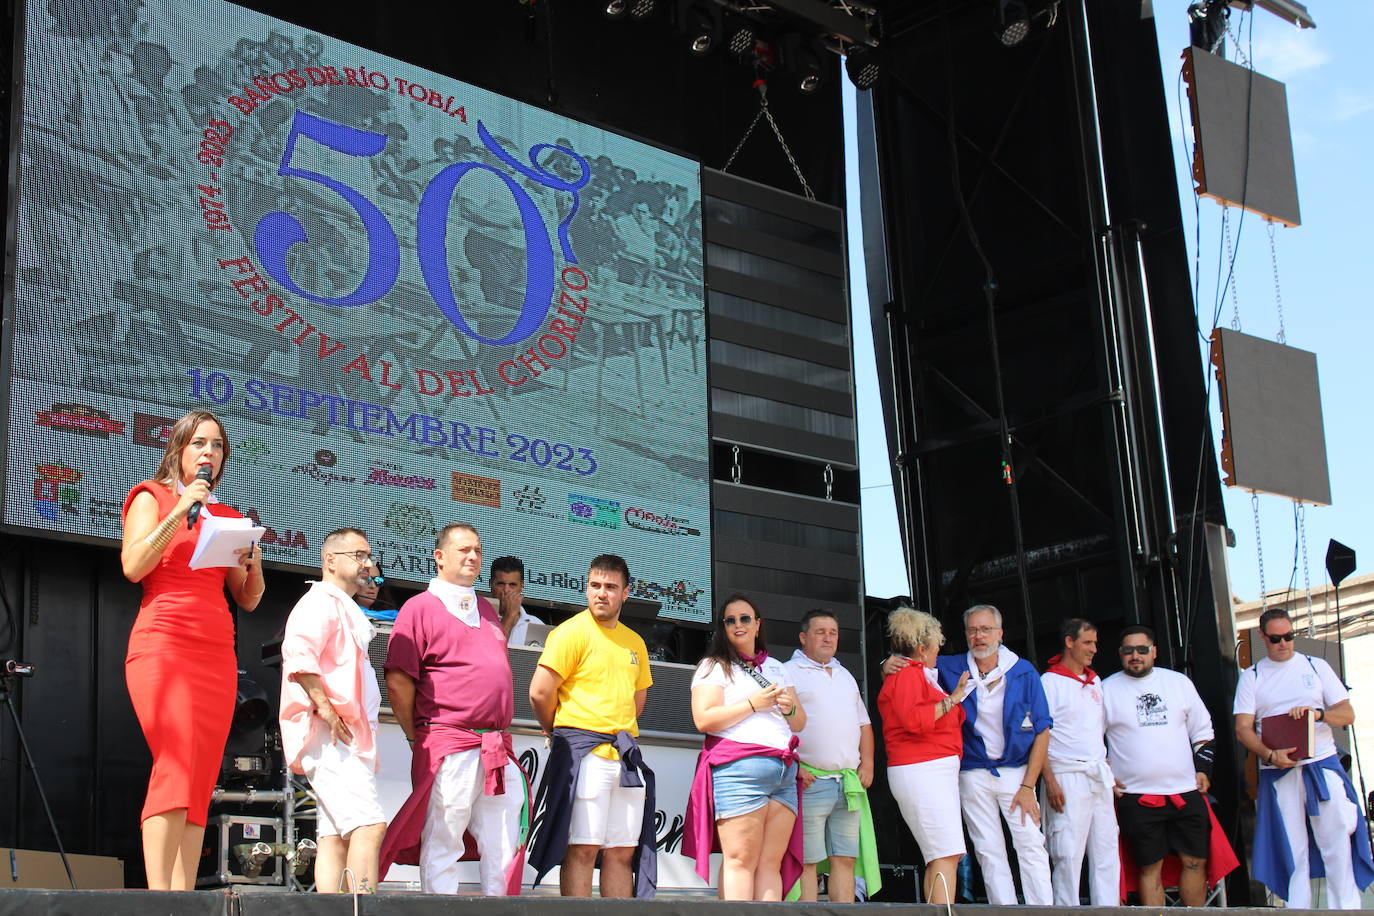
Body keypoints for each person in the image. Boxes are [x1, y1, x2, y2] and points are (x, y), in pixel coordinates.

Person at [120, 409, 264, 889]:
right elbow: (135, 565)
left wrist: (255, 562)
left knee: (201, 777)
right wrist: (181, 512)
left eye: (218, 446)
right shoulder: (152, 496)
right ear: (179, 449)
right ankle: (159, 896)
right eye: (200, 443)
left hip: (216, 652)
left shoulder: (226, 517)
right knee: (177, 763)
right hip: (163, 642)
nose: (209, 453)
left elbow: (246, 597)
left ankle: (182, 898)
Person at [378, 524, 527, 895]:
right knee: (444, 836)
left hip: (495, 746)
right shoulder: (419, 608)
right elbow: (398, 680)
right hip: (449, 740)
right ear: (439, 556)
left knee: (503, 839)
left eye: (477, 549)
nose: (472, 556)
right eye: (463, 550)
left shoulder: (486, 610)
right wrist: (417, 735)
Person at [528, 555, 656, 898]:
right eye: (595, 586)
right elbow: (540, 692)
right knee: (583, 848)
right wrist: (556, 730)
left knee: (622, 852)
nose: (602, 594)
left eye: (611, 587)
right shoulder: (570, 632)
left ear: (625, 593)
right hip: (586, 755)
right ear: (586, 588)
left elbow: (637, 702)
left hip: (625, 756)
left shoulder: (635, 643)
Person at [1233, 608, 1374, 909]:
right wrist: (1270, 754)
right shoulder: (1252, 676)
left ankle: (1346, 909)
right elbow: (1243, 729)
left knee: (1337, 835)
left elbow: (1347, 714)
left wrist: (1318, 714)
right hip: (1278, 769)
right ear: (1262, 636)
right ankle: (1298, 910)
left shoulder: (1315, 666)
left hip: (1321, 763)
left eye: (1288, 636)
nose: (1283, 643)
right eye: (1275, 638)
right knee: (1290, 846)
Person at [279, 528, 386, 893]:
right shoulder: (320, 600)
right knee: (369, 826)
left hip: (346, 735)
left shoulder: (342, 604)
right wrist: (325, 708)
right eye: (358, 555)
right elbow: (299, 655)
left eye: (369, 556)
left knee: (335, 837)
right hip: (331, 734)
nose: (367, 564)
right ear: (330, 560)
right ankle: (362, 906)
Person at [684, 595, 808, 901]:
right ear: (723, 627)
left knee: (770, 864)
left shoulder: (778, 668)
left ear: (757, 624)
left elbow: (799, 723)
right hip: (739, 768)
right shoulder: (714, 666)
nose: (738, 625)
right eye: (730, 620)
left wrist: (791, 708)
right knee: (740, 860)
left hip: (783, 772)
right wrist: (753, 704)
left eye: (745, 618)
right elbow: (704, 719)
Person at [932, 604, 1052, 905]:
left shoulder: (1023, 671)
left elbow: (1043, 730)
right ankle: (1005, 912)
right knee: (988, 849)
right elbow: (913, 664)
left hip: (1015, 773)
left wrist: (1028, 786)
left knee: (1030, 845)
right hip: (972, 772)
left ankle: (1043, 913)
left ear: (1000, 633)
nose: (978, 636)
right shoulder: (951, 667)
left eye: (985, 629)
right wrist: (887, 662)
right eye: (972, 630)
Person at [1103, 625, 1217, 906]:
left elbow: (1203, 732)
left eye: (1142, 650)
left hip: (1185, 791)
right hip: (1137, 796)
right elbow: (1090, 740)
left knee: (1194, 862)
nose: (1135, 656)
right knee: (1148, 867)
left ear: (1154, 652)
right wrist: (1105, 774)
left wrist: (1203, 770)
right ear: (1120, 654)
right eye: (1128, 651)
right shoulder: (1106, 689)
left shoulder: (1178, 683)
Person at [785, 609, 879, 902]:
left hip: (848, 783)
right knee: (808, 862)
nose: (828, 638)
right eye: (820, 632)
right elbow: (778, 725)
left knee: (845, 859)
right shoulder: (788, 671)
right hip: (812, 781)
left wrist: (869, 764)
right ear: (803, 638)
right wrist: (795, 766)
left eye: (833, 632)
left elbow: (864, 724)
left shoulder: (845, 674)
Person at [879, 607, 971, 905]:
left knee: (942, 856)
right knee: (945, 854)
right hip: (922, 770)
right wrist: (954, 698)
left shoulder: (918, 674)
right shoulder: (908, 674)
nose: (938, 652)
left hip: (930, 771)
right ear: (921, 648)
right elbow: (913, 720)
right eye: (935, 646)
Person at [1040, 618, 1119, 906]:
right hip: (1066, 775)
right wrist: (1049, 780)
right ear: (1069, 642)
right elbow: (1039, 735)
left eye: (1095, 643)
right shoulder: (1048, 682)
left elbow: (1095, 732)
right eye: (1088, 642)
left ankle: (1108, 911)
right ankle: (1066, 912)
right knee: (1067, 853)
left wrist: (1107, 769)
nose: (1094, 649)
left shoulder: (1095, 680)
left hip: (1097, 774)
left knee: (1107, 850)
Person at [488, 555, 545, 645]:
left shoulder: (536, 625)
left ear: (521, 586)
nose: (506, 590)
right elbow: (492, 651)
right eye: (501, 584)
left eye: (512, 585)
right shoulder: (480, 619)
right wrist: (509, 615)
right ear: (491, 584)